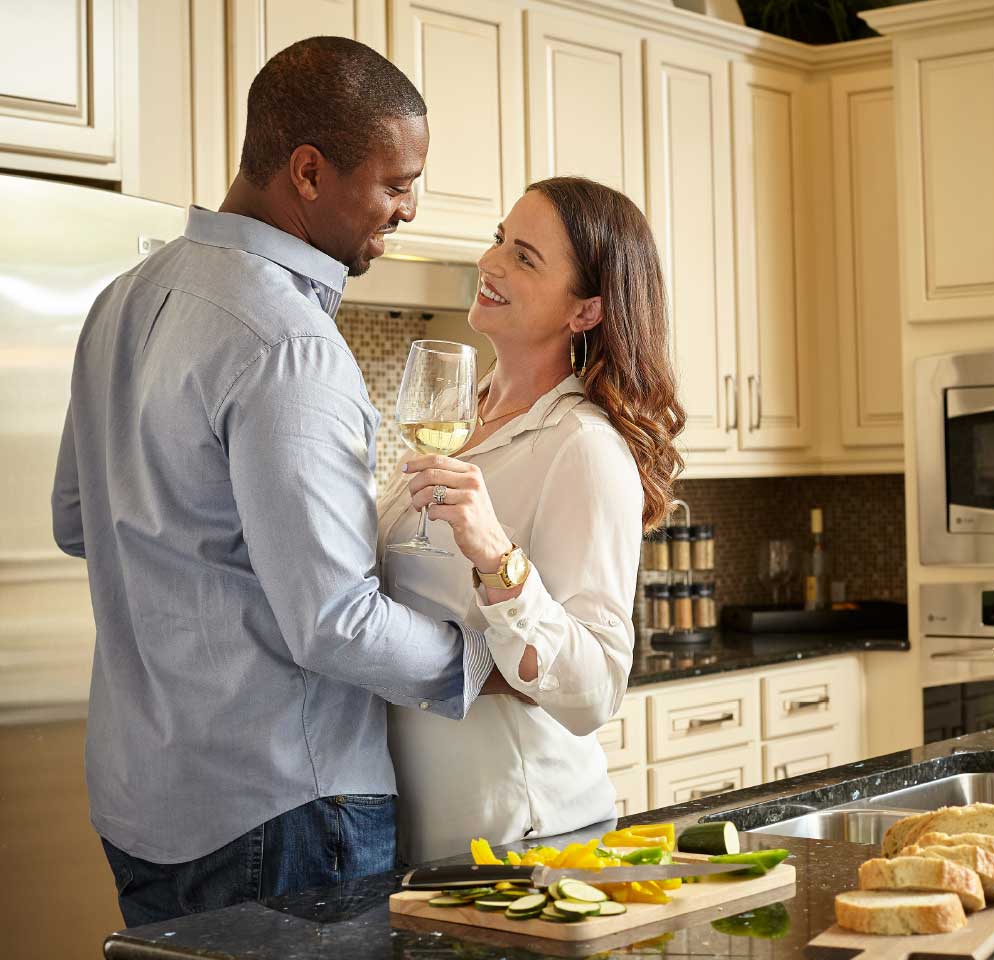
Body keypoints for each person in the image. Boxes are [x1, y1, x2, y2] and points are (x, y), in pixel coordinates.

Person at [50, 36, 498, 927]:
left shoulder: (122, 300)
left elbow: (75, 521)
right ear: (307, 171)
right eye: (397, 183)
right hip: (281, 810)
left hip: (141, 800)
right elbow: (334, 623)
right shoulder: (288, 342)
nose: (408, 208)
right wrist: (486, 659)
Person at [377, 176, 686, 863]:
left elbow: (596, 689)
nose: (490, 264)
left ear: (584, 312)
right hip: (430, 838)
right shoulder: (459, 417)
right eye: (498, 241)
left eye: (525, 258)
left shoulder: (582, 448)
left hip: (525, 837)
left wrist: (496, 557)